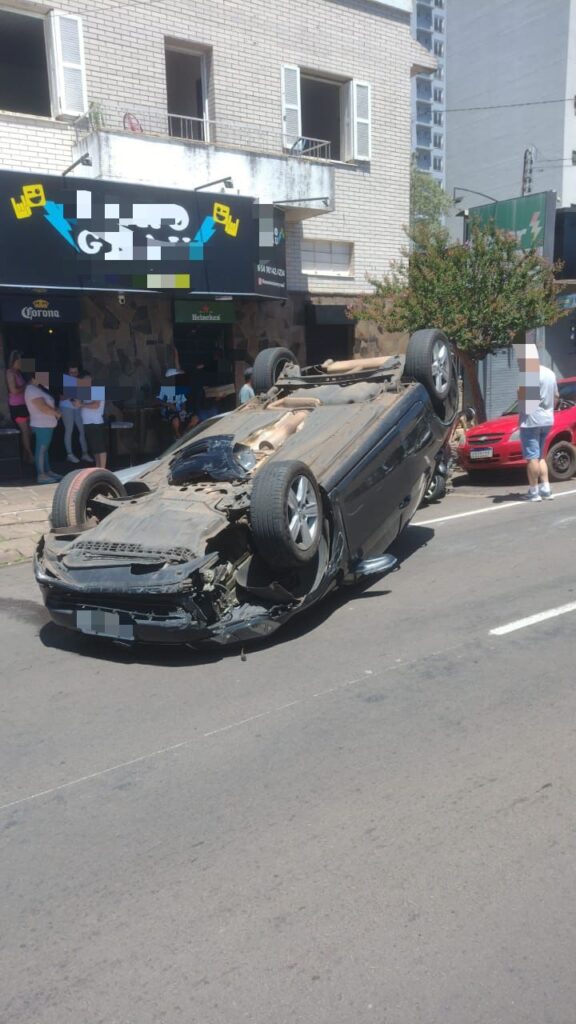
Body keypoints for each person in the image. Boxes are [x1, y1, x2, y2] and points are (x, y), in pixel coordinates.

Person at [519, 362, 559, 501]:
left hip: (531, 421)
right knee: (540, 455)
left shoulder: (529, 374)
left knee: (532, 457)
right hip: (547, 419)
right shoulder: (550, 373)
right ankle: (546, 489)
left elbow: (526, 401)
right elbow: (556, 396)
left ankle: (533, 491)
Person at [24, 369, 62, 484]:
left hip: (46, 424)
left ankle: (47, 471)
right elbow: (42, 406)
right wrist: (56, 413)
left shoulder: (37, 389)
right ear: (34, 378)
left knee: (44, 450)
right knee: (41, 449)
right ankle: (41, 475)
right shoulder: (31, 390)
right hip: (41, 424)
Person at [60, 363, 92, 464]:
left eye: (75, 372)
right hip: (66, 407)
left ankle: (85, 453)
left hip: (78, 407)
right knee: (69, 430)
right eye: (71, 372)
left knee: (82, 430)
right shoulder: (64, 381)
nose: (73, 374)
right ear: (68, 372)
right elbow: (60, 397)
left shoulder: (81, 381)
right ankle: (69, 454)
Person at [5, 350, 34, 464]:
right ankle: (30, 455)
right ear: (15, 360)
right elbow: (14, 390)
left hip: (25, 404)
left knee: (29, 431)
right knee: (25, 431)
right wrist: (27, 384)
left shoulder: (19, 372)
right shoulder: (10, 373)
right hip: (17, 406)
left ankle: (25, 455)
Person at [74, 375, 108, 468]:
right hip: (87, 423)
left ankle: (103, 468)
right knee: (95, 448)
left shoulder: (97, 390)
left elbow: (96, 405)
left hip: (96, 422)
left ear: (90, 379)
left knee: (100, 448)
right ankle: (98, 467)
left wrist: (81, 404)